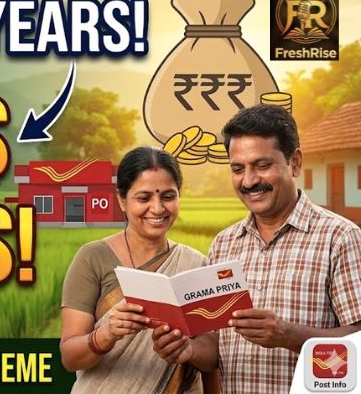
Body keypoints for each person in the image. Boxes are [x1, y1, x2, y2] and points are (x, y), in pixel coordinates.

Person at [152, 105, 361, 393]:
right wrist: (188, 349)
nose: (249, 181)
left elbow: (359, 341)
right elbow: (216, 348)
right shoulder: (224, 244)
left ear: (295, 162)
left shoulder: (339, 238)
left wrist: (288, 335)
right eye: (238, 169)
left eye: (262, 166)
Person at [60, 146, 209, 393]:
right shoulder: (92, 258)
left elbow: (212, 356)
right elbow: (69, 357)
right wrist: (107, 334)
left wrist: (188, 350)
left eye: (168, 196)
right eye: (144, 198)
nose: (158, 208)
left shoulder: (196, 264)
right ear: (122, 199)